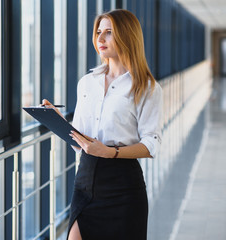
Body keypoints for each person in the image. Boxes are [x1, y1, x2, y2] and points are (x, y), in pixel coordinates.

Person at [42, 9, 163, 240]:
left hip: (123, 185)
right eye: (98, 32)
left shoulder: (147, 87)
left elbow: (151, 144)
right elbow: (79, 142)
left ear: (127, 36)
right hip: (85, 180)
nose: (100, 38)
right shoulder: (87, 83)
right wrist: (58, 121)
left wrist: (109, 152)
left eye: (109, 32)